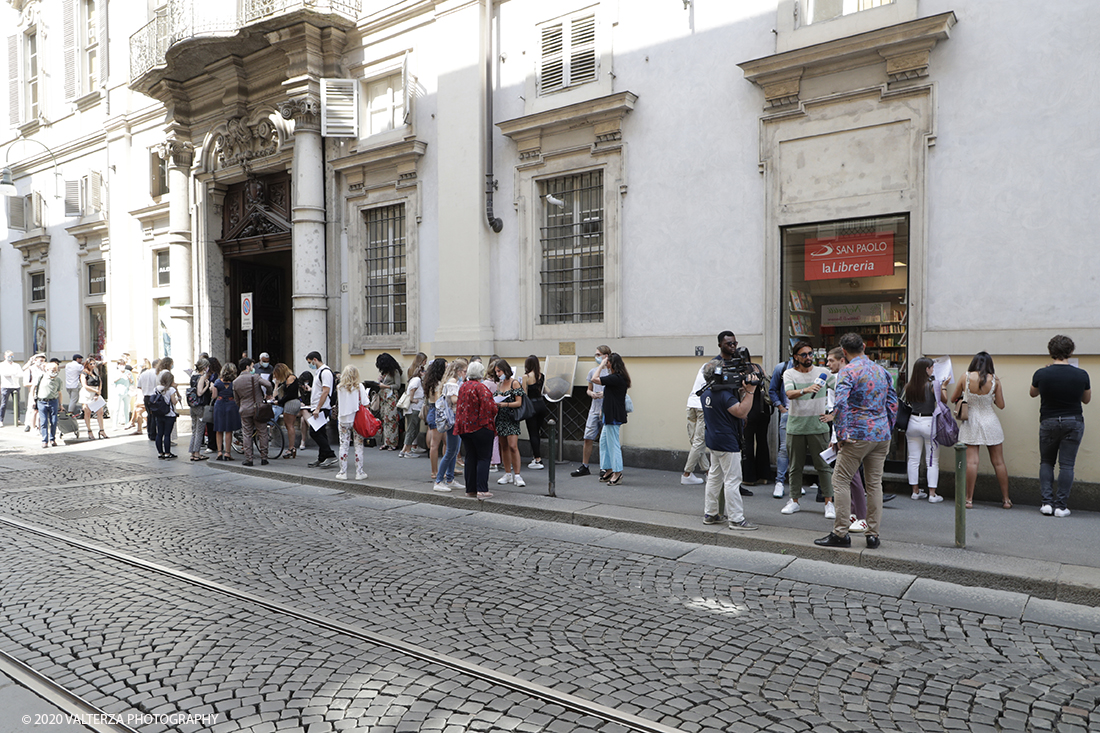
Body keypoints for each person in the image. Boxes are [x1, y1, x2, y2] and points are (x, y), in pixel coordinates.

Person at [815, 332, 897, 549]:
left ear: (844, 352)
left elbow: (840, 405)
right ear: (863, 346)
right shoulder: (882, 371)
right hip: (881, 434)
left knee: (840, 480)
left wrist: (841, 434)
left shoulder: (847, 372)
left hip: (857, 434)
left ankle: (840, 533)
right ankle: (873, 534)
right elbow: (892, 403)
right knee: (874, 483)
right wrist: (887, 427)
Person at [1030, 335, 1091, 517]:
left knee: (1047, 461)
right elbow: (1086, 400)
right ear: (1070, 352)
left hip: (1048, 421)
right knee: (1067, 465)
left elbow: (1033, 393)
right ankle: (1061, 507)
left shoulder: (1041, 373)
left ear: (1051, 352)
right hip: (1073, 421)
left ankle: (1046, 503)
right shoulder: (1081, 374)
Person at [700, 360, 759, 531]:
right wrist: (750, 391)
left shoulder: (706, 392)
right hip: (727, 442)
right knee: (732, 480)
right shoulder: (724, 395)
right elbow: (741, 412)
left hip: (713, 440)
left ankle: (710, 514)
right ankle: (736, 519)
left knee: (714, 477)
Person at [780, 340, 836, 518]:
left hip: (818, 426)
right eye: (804, 355)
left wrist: (834, 414)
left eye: (811, 354)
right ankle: (794, 500)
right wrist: (806, 390)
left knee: (824, 466)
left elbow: (843, 391)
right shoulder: (789, 373)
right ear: (796, 357)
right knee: (795, 466)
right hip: (796, 426)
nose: (809, 357)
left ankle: (829, 503)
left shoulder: (823, 373)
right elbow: (789, 394)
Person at [949, 351, 1010, 509]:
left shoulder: (966, 377)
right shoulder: (995, 380)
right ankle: (1006, 500)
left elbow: (953, 398)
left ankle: (968, 499)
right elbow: (1001, 405)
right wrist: (990, 397)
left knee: (972, 462)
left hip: (971, 421)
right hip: (990, 421)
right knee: (998, 462)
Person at [900, 357, 947, 503]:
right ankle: (932, 494)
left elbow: (905, 402)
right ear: (927, 369)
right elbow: (943, 400)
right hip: (929, 422)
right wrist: (943, 385)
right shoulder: (933, 384)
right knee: (932, 460)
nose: (933, 369)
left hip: (913, 421)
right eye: (932, 367)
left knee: (913, 459)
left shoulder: (909, 386)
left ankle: (915, 491)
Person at [455, 360, 498, 499]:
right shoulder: (481, 387)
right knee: (484, 458)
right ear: (481, 373)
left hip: (465, 428)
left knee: (470, 457)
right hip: (480, 426)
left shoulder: (464, 386)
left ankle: (470, 489)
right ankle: (482, 490)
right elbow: (489, 407)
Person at [590, 353, 631, 486]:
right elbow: (612, 393)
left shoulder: (616, 377)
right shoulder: (617, 378)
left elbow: (594, 379)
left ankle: (617, 473)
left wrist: (600, 366)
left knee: (612, 444)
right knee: (603, 443)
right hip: (609, 415)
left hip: (614, 416)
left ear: (612, 364)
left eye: (607, 362)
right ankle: (608, 469)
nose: (606, 364)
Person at [571, 345, 611, 478]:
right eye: (596, 355)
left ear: (606, 356)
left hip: (607, 409)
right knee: (588, 437)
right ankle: (585, 465)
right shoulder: (593, 371)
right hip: (594, 408)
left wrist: (604, 394)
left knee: (605, 440)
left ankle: (605, 467)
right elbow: (588, 389)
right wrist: (592, 394)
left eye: (598, 355)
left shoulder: (612, 372)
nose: (596, 357)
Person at [682, 345, 715, 486]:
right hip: (702, 407)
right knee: (699, 442)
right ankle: (687, 473)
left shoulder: (704, 366)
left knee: (695, 441)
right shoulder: (716, 372)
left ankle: (707, 472)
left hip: (691, 404)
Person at [433, 358, 468, 491]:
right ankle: (438, 481)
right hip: (453, 418)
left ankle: (449, 479)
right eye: (464, 371)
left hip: (455, 418)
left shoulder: (454, 381)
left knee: (454, 450)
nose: (465, 373)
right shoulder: (453, 382)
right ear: (459, 371)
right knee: (451, 451)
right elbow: (454, 400)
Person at [740, 350, 772, 488]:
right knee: (762, 441)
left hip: (749, 410)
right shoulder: (758, 367)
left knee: (747, 443)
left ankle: (749, 477)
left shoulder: (740, 371)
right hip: (763, 410)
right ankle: (763, 475)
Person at [234, 358, 273, 467]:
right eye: (252, 366)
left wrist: (241, 405)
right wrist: (268, 394)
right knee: (262, 433)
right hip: (258, 409)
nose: (253, 368)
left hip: (244, 409)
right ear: (247, 367)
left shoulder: (236, 381)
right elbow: (268, 385)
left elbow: (236, 399)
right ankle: (264, 457)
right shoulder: (255, 377)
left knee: (247, 434)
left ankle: (249, 458)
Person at [494, 359, 527, 488]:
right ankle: (508, 473)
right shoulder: (500, 384)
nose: (497, 373)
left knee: (513, 446)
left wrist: (505, 404)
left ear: (505, 370)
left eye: (499, 371)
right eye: (496, 371)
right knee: (504, 446)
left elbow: (519, 402)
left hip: (511, 417)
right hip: (501, 417)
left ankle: (517, 474)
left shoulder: (514, 383)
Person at [334, 364, 370, 480]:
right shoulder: (359, 387)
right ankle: (359, 472)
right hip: (356, 420)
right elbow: (365, 403)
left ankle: (342, 472)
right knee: (358, 446)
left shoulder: (339, 387)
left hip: (343, 419)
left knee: (343, 445)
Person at [304, 351, 338, 468]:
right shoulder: (319, 372)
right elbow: (321, 390)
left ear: (315, 359)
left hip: (322, 407)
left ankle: (330, 454)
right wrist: (311, 390)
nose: (310, 365)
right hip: (319, 407)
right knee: (321, 432)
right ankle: (322, 457)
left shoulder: (325, 372)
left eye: (310, 362)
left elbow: (325, 391)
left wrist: (318, 408)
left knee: (314, 432)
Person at [769, 353, 795, 498]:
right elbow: (772, 390)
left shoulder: (811, 370)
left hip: (803, 415)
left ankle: (794, 482)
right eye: (803, 354)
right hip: (787, 413)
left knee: (798, 450)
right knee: (784, 448)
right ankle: (779, 482)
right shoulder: (782, 368)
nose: (807, 357)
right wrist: (781, 408)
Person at [422, 358, 447, 480]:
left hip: (432, 410)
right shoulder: (438, 384)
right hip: (438, 412)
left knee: (437, 443)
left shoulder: (429, 382)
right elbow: (439, 401)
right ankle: (436, 471)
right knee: (438, 444)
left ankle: (437, 470)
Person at [522, 355, 547, 470]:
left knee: (532, 433)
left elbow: (524, 394)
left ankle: (537, 458)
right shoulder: (542, 376)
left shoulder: (526, 377)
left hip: (531, 406)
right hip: (542, 405)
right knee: (537, 431)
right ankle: (536, 456)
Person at [212, 363, 241, 461]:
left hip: (219, 404)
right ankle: (228, 453)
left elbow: (214, 396)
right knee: (229, 430)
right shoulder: (235, 382)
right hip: (231, 404)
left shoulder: (217, 382)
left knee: (219, 429)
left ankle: (220, 452)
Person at [272, 363, 301, 459]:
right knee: (290, 426)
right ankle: (291, 448)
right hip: (294, 403)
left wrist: (279, 402)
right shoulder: (292, 378)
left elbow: (289, 395)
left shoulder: (290, 379)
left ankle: (291, 447)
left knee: (289, 426)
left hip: (290, 404)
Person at [375, 353, 403, 450]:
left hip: (391, 397)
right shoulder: (385, 373)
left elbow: (397, 385)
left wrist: (385, 386)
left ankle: (393, 443)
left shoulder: (395, 372)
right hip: (384, 397)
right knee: (384, 419)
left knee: (391, 419)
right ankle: (386, 442)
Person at [399, 358, 426, 458]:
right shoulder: (417, 379)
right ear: (419, 372)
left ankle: (404, 450)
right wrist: (412, 399)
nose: (424, 372)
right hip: (414, 408)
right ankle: (408, 451)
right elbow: (412, 390)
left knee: (412, 429)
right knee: (412, 430)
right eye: (423, 371)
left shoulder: (415, 379)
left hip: (413, 408)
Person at [33, 361, 63, 448]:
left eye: (56, 370)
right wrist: (33, 400)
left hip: (53, 401)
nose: (54, 371)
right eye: (52, 369)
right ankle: (44, 440)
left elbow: (59, 392)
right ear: (47, 369)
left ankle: (52, 439)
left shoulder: (58, 380)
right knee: (44, 422)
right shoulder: (41, 377)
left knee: (54, 421)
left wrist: (61, 404)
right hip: (42, 401)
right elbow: (33, 388)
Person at [186, 358, 211, 461]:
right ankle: (197, 453)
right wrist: (207, 386)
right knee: (199, 430)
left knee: (194, 429)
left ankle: (192, 452)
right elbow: (200, 392)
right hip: (200, 406)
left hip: (193, 405)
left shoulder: (193, 376)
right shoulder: (201, 377)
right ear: (205, 367)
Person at [152, 370, 180, 459]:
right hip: (169, 414)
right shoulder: (171, 390)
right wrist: (178, 397)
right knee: (167, 434)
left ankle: (160, 453)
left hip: (159, 413)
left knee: (159, 433)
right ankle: (167, 453)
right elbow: (174, 402)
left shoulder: (156, 389)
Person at [80, 358, 107, 439]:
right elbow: (84, 385)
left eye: (94, 363)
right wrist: (95, 390)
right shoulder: (84, 373)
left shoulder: (95, 373)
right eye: (91, 364)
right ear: (87, 364)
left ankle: (102, 430)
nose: (93, 365)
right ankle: (89, 431)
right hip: (87, 393)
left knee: (100, 412)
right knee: (87, 412)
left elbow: (100, 382)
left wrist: (98, 391)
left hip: (95, 393)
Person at [23, 354, 46, 432]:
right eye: (40, 360)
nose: (42, 362)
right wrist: (35, 384)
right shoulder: (29, 369)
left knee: (40, 410)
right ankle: (28, 424)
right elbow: (25, 383)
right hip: (34, 392)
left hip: (42, 392)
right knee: (31, 409)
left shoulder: (43, 369)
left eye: (43, 360)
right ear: (35, 360)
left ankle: (38, 425)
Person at [138, 359, 159, 440]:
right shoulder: (157, 374)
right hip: (155, 396)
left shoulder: (144, 373)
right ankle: (154, 433)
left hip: (146, 396)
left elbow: (139, 386)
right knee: (155, 416)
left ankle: (150, 433)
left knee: (149, 415)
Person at [0, 351, 23, 427]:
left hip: (15, 386)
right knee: (3, 404)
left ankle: (17, 419)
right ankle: (1, 420)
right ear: (5, 356)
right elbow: (4, 374)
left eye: (12, 356)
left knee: (17, 404)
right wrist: (13, 373)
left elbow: (20, 374)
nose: (10, 358)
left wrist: (13, 374)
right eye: (8, 356)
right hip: (6, 386)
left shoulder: (16, 365)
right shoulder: (2, 365)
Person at [112, 356, 132, 428]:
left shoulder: (128, 372)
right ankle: (115, 425)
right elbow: (112, 381)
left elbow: (132, 382)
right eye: (120, 364)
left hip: (126, 392)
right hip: (118, 392)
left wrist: (129, 378)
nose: (122, 366)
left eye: (123, 364)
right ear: (118, 365)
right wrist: (119, 377)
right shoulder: (116, 372)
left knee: (126, 408)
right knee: (117, 408)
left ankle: (127, 423)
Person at [64, 353, 84, 419]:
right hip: (75, 385)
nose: (81, 360)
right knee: (73, 400)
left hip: (68, 385)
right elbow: (83, 371)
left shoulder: (68, 365)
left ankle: (70, 412)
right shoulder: (79, 366)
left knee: (71, 399)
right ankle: (70, 413)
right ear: (77, 359)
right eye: (80, 359)